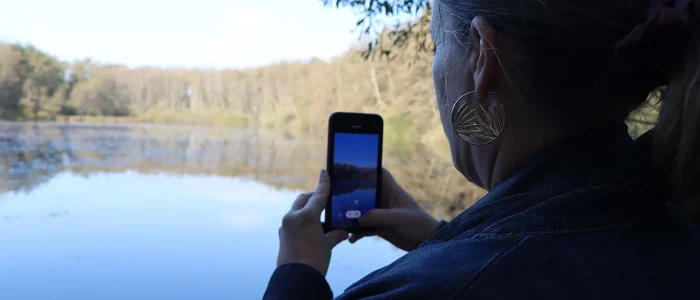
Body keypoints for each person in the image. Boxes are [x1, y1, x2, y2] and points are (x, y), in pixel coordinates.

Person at [264, 0, 700, 298]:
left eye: (438, 44)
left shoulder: (424, 291)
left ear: (481, 59)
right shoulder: (670, 217)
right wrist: (444, 238)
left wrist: (296, 273)